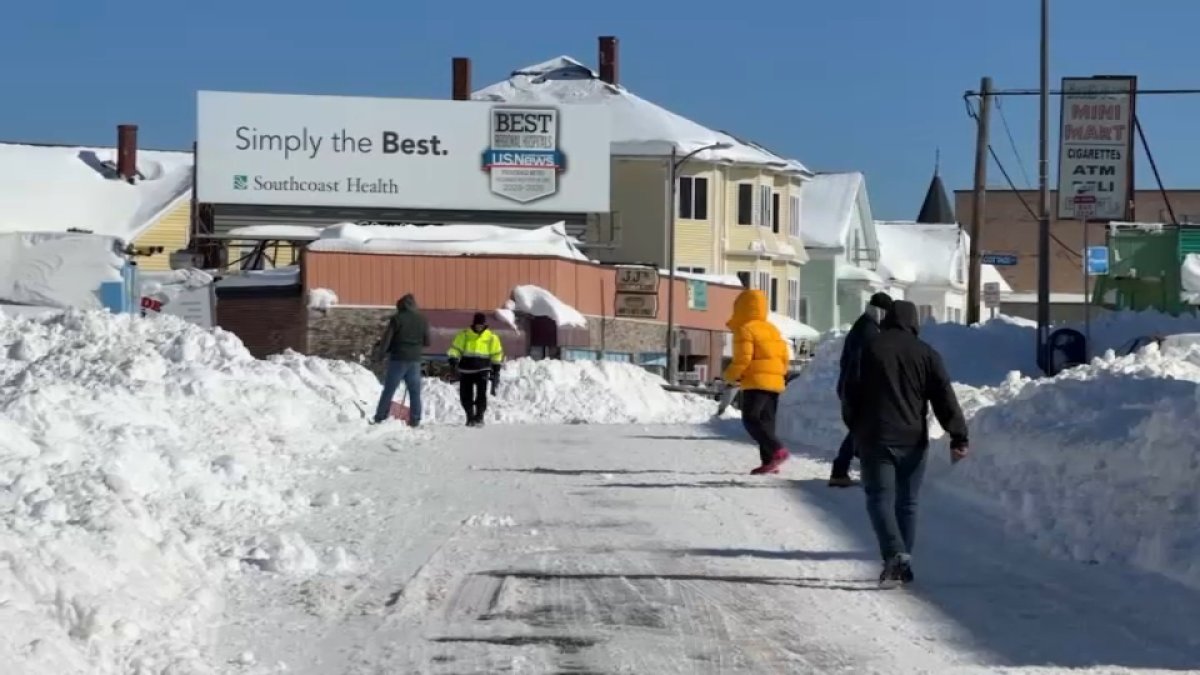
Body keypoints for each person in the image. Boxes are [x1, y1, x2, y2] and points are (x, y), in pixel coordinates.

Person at [843, 300, 969, 586]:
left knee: (878, 498)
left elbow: (849, 393)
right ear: (914, 322)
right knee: (908, 503)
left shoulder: (869, 349)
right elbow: (944, 398)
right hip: (913, 439)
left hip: (875, 437)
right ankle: (903, 561)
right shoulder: (927, 354)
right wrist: (958, 435)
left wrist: (855, 428)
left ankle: (894, 553)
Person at [721, 288, 791, 475]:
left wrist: (729, 376)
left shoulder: (746, 329)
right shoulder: (772, 329)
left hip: (756, 381)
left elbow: (743, 359)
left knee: (750, 419)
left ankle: (777, 449)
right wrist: (779, 375)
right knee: (767, 422)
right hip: (775, 382)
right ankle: (770, 461)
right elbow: (785, 357)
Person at [830, 292, 895, 488]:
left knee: (862, 429)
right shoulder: (868, 332)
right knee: (862, 429)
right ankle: (842, 470)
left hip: (854, 388)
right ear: (880, 312)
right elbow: (861, 365)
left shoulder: (867, 326)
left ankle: (846, 470)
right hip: (859, 389)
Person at [373, 294, 430, 427]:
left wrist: (381, 354)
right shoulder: (423, 319)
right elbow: (428, 341)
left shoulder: (397, 319)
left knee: (389, 390)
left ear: (401, 306)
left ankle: (380, 417)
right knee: (415, 392)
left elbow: (387, 340)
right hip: (415, 360)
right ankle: (415, 419)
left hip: (398, 359)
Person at [447, 312, 504, 427]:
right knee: (465, 395)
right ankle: (470, 416)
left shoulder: (491, 337)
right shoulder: (464, 335)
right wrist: (453, 358)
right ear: (474, 324)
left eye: (481, 325)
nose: (479, 327)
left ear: (484, 325)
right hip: (466, 370)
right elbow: (455, 349)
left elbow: (497, 353)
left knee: (481, 395)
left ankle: (479, 417)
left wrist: (496, 367)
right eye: (478, 325)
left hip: (483, 369)